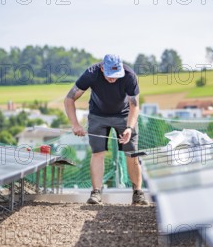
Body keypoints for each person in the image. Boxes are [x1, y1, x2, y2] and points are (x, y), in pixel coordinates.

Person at [64, 54, 149, 206]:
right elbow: (69, 98)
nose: (113, 79)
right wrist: (75, 124)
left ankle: (138, 193)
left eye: (116, 76)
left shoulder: (129, 76)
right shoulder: (91, 74)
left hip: (124, 115)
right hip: (98, 115)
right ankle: (96, 193)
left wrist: (129, 128)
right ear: (102, 68)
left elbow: (134, 106)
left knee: (132, 153)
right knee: (97, 153)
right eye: (110, 75)